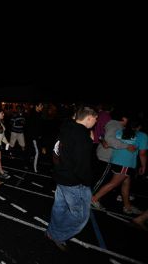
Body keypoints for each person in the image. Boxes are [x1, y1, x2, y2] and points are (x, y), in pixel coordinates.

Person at [46, 106, 98, 251]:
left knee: (59, 207)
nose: (96, 121)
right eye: (95, 119)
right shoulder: (83, 137)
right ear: (88, 118)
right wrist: (87, 182)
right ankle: (58, 235)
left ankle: (52, 232)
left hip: (61, 176)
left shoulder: (66, 128)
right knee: (80, 216)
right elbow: (83, 165)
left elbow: (56, 150)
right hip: (74, 182)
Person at [92, 119, 147, 214]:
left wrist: (103, 142)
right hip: (125, 164)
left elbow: (105, 138)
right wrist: (144, 166)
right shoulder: (142, 136)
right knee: (114, 183)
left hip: (115, 161)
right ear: (139, 127)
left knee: (126, 183)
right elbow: (142, 154)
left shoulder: (120, 132)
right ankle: (94, 199)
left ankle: (127, 206)